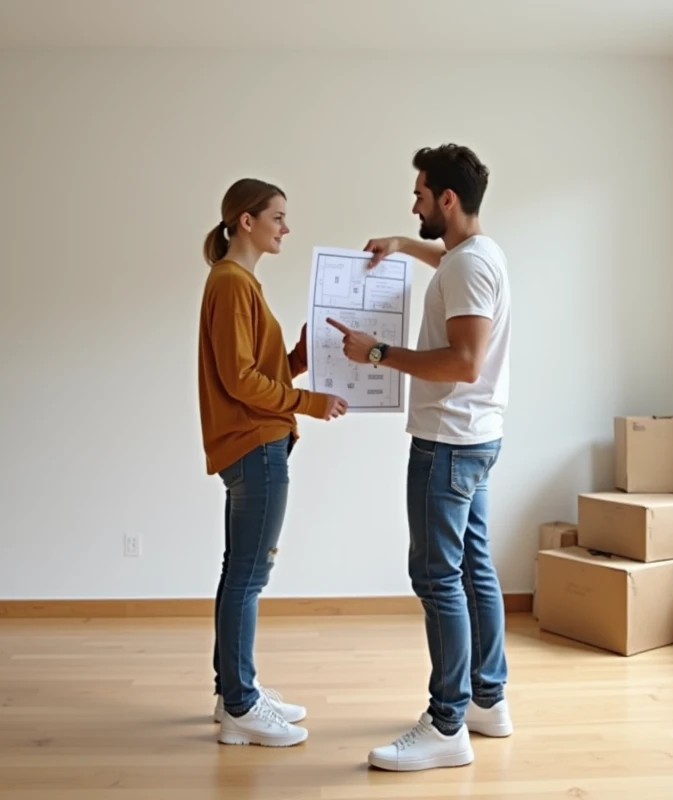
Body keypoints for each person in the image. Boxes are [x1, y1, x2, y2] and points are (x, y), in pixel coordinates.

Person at [326, 144, 512, 772]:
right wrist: (402, 245)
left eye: (421, 195)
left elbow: (464, 363)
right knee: (473, 569)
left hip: (447, 442)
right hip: (476, 437)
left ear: (448, 200)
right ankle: (487, 700)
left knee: (437, 579)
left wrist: (377, 353)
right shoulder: (475, 255)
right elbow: (446, 259)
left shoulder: (466, 269)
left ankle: (447, 723)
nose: (414, 204)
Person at [198, 178, 348, 748]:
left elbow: (253, 373)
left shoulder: (237, 283)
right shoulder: (233, 283)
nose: (285, 228)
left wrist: (298, 362)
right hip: (256, 446)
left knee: (238, 572)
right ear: (245, 221)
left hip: (253, 442)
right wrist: (309, 402)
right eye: (278, 217)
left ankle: (234, 690)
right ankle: (240, 706)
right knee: (248, 577)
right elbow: (239, 381)